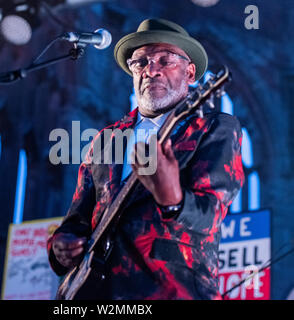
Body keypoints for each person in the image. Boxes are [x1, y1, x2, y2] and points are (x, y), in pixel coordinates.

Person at [47, 18, 244, 300]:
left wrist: (174, 200)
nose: (152, 70)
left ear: (190, 73)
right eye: (141, 62)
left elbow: (210, 215)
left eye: (166, 61)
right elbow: (77, 217)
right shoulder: (106, 139)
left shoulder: (215, 128)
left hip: (170, 291)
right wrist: (61, 245)